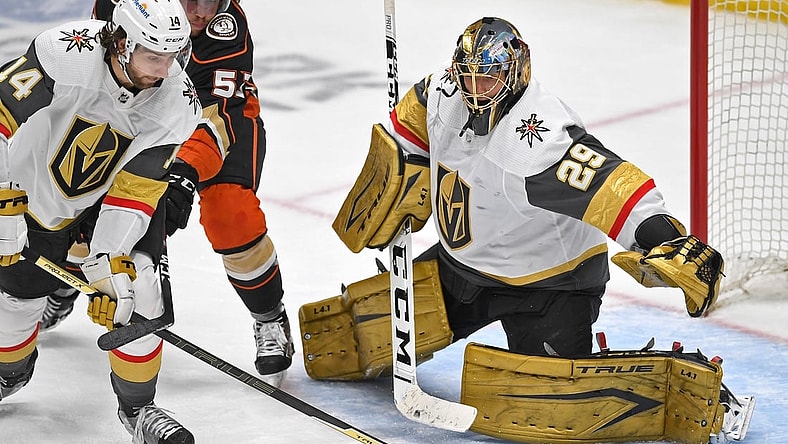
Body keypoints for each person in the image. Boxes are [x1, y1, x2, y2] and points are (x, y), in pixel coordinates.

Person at [300, 17, 751, 443]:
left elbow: (614, 189)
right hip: (460, 270)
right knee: (343, 338)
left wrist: (667, 240)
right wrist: (403, 173)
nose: (474, 90)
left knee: (550, 411)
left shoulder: (539, 141)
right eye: (467, 76)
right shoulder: (441, 94)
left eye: (487, 79)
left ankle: (682, 386)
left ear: (515, 74)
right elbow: (408, 131)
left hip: (550, 288)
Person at [49, 0, 294, 387]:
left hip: (215, 119)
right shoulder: (121, 7)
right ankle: (66, 281)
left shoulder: (226, 28)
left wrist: (181, 173)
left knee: (231, 214)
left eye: (211, 1)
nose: (201, 13)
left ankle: (269, 316)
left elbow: (216, 110)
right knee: (84, 199)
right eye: (191, 0)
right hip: (135, 112)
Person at [0, 0, 200, 442]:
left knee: (139, 286)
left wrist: (109, 262)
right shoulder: (62, 53)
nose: (165, 70)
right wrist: (2, 201)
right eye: (154, 56)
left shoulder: (177, 101)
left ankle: (138, 409)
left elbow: (135, 191)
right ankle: (10, 372)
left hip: (105, 200)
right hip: (29, 194)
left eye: (172, 56)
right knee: (14, 311)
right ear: (122, 43)